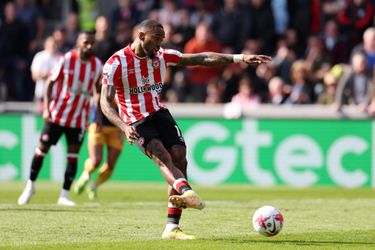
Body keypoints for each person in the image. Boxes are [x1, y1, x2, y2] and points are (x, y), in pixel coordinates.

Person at [100, 19, 271, 240]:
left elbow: (201, 58)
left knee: (180, 157)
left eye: (162, 40)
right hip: (136, 119)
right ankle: (187, 192)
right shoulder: (116, 63)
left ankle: (172, 227)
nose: (160, 45)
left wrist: (239, 58)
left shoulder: (161, 56)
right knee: (161, 155)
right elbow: (105, 102)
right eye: (156, 39)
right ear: (141, 36)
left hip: (158, 112)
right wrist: (123, 126)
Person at [18, 31, 103, 206]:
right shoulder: (66, 59)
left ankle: (64, 195)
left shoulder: (97, 65)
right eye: (86, 42)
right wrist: (48, 109)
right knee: (42, 150)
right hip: (58, 115)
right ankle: (30, 186)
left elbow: (97, 91)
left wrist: (98, 116)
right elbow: (50, 83)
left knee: (73, 156)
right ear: (78, 43)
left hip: (79, 119)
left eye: (92, 43)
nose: (89, 46)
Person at [73, 102, 125, 200]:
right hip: (98, 124)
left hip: (117, 128)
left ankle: (94, 186)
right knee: (96, 161)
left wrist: (125, 127)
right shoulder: (103, 86)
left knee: (110, 165)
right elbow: (97, 97)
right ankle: (85, 176)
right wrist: (97, 118)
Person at [30, 36, 61, 114]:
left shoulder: (61, 58)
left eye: (55, 44)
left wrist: (46, 74)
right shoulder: (39, 56)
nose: (53, 46)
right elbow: (34, 75)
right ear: (46, 45)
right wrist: (49, 74)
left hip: (56, 96)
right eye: (51, 44)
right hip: (41, 94)